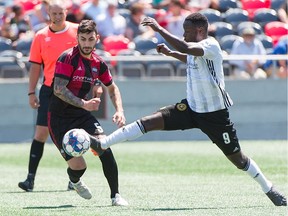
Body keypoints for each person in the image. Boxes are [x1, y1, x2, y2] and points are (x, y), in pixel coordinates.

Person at [90, 13, 287, 206]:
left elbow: (187, 48)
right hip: (190, 109)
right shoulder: (196, 51)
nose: (184, 34)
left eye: (187, 31)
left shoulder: (211, 45)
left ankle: (269, 188)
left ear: (200, 31)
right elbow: (189, 56)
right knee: (150, 121)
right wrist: (170, 53)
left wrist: (159, 29)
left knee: (238, 160)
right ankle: (103, 144)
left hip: (215, 116)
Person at [47, 19, 128, 206]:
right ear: (77, 38)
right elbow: (59, 89)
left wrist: (120, 110)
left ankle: (116, 196)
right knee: (79, 166)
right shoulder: (67, 58)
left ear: (96, 39)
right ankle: (74, 180)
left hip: (81, 115)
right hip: (59, 117)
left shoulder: (99, 63)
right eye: (82, 39)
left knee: (104, 147)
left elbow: (112, 87)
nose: (86, 43)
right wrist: (84, 103)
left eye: (90, 39)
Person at [18, 0, 79, 192]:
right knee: (41, 134)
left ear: (66, 12)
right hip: (49, 90)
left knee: (72, 136)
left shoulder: (78, 31)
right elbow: (35, 66)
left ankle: (74, 179)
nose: (58, 17)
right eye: (54, 14)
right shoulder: (40, 36)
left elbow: (89, 57)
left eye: (61, 13)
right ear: (48, 14)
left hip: (74, 89)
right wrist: (31, 92)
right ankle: (30, 180)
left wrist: (93, 84)